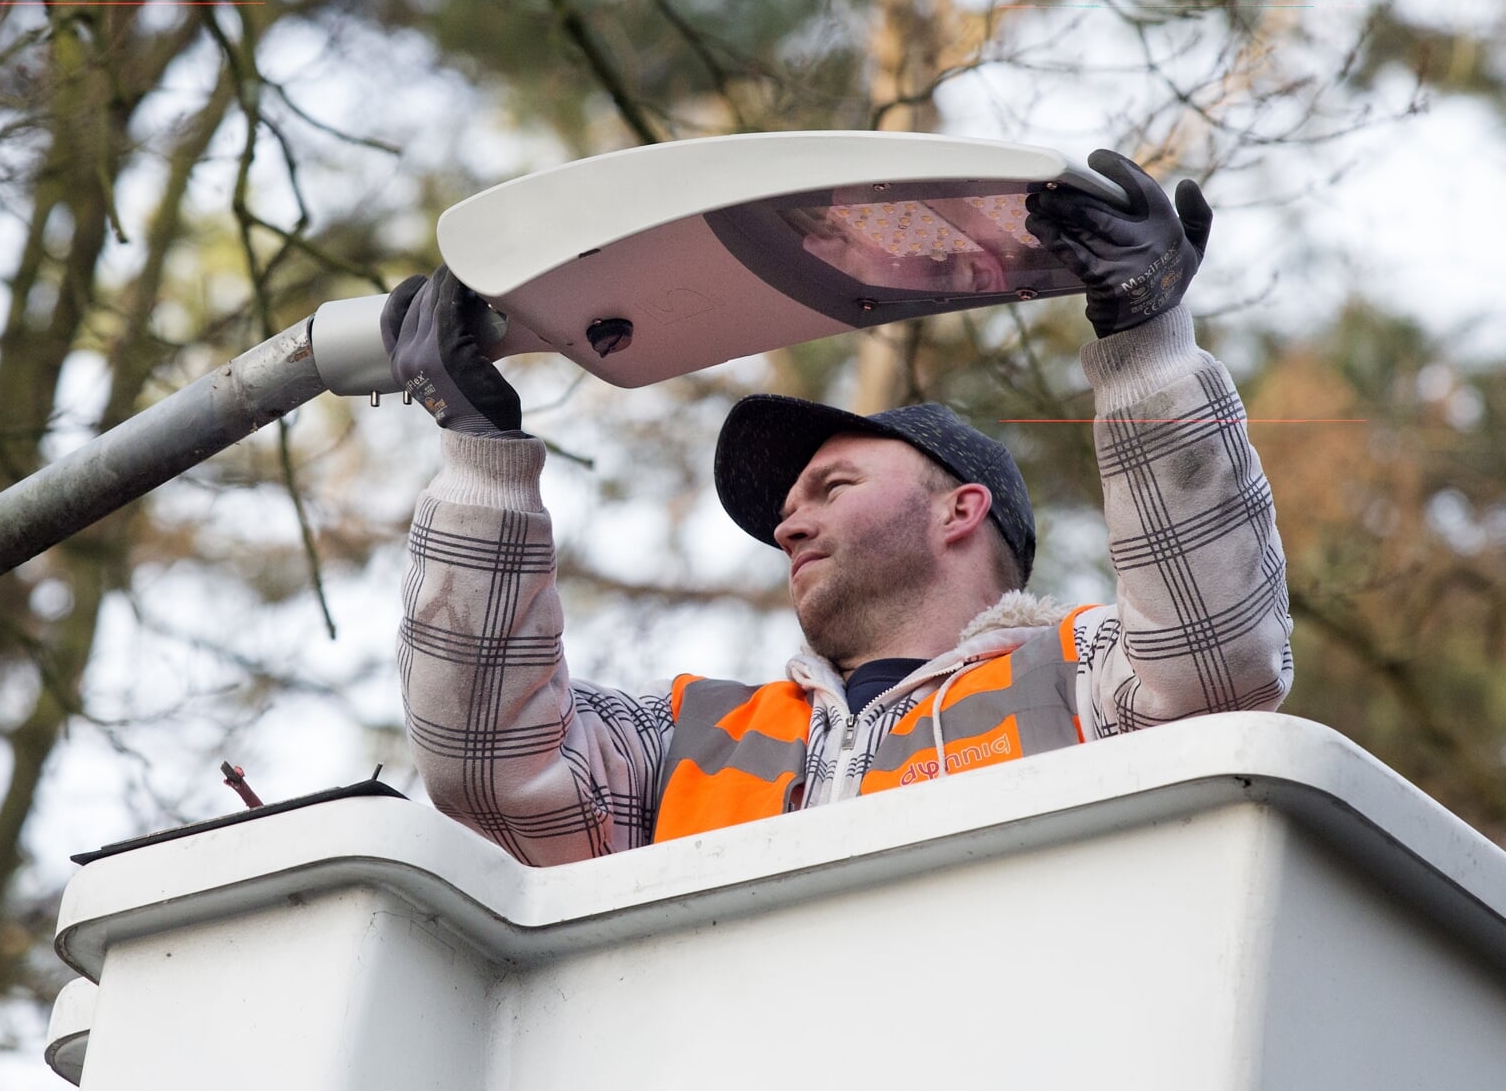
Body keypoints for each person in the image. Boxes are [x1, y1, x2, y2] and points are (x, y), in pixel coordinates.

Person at [382, 149, 1292, 867]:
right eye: (788, 505)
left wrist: (1149, 347)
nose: (786, 523)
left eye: (833, 486)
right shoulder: (685, 738)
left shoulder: (1081, 679)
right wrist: (480, 460)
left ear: (961, 509)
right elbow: (493, 769)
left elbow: (1217, 666)